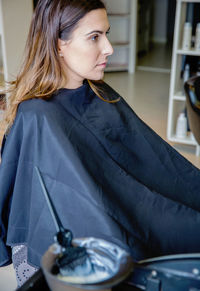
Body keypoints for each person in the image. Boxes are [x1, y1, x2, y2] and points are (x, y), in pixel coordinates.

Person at [1, 0, 200, 287]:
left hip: (140, 209)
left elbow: (157, 163)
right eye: (95, 37)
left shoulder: (99, 90)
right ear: (58, 43)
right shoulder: (37, 118)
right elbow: (69, 200)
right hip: (89, 242)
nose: (108, 48)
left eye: (105, 34)